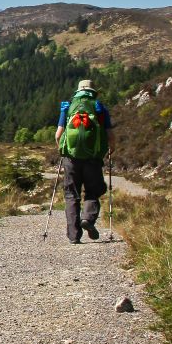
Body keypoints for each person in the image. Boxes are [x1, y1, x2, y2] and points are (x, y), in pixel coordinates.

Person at [54, 79, 114, 244]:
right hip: (93, 159)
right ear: (93, 91)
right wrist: (111, 149)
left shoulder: (68, 107)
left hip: (70, 159)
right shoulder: (99, 107)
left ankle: (74, 235)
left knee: (71, 194)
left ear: (78, 90)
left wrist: (62, 150)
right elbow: (110, 135)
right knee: (93, 191)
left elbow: (58, 135)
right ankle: (88, 218)